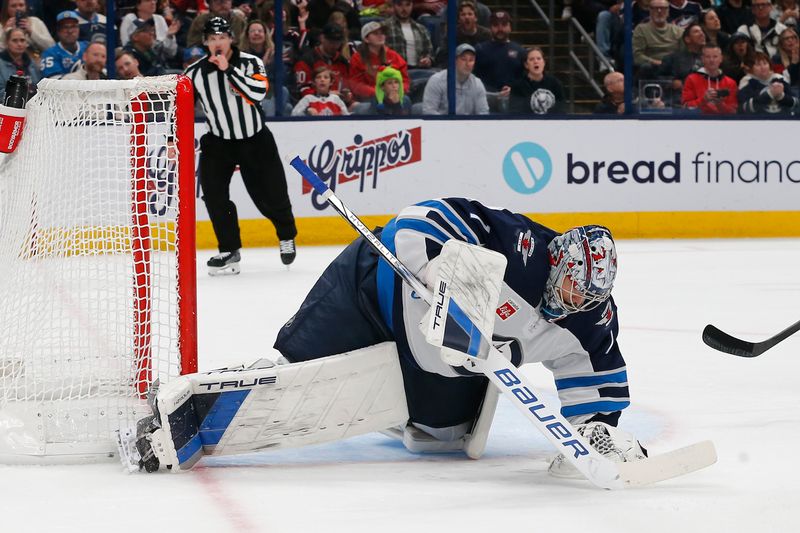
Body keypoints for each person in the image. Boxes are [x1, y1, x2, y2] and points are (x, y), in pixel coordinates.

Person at [274, 198, 642, 472]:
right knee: (294, 365)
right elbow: (416, 220)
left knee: (441, 438)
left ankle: (385, 401)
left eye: (587, 299)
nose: (574, 304)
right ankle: (274, 369)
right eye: (572, 290)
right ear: (558, 262)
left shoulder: (590, 316)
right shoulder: (518, 245)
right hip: (372, 291)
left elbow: (596, 375)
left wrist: (595, 432)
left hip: (432, 360)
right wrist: (432, 267)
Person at [185, 17, 297, 273]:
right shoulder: (194, 73)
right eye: (212, 39)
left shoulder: (250, 62)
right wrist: (171, 139)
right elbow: (180, 111)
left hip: (254, 139)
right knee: (214, 195)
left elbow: (258, 93)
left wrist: (228, 70)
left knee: (270, 194)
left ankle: (286, 235)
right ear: (205, 42)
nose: (217, 42)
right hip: (218, 142)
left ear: (230, 39)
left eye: (222, 37)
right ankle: (229, 249)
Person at [348, 20, 410, 102]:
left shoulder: (393, 55)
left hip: (395, 95)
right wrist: (379, 93)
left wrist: (398, 91)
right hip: (370, 98)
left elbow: (405, 80)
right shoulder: (357, 58)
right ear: (366, 39)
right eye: (375, 34)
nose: (380, 36)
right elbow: (356, 85)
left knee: (406, 100)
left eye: (382, 33)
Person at [422, 42, 489, 114]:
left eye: (471, 60)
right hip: (442, 124)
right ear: (454, 61)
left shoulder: (477, 83)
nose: (467, 64)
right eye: (463, 59)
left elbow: (483, 113)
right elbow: (429, 112)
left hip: (467, 125)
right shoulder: (436, 80)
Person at [474, 11, 525, 94]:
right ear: (490, 27)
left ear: (510, 27)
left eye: (504, 25)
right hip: (486, 98)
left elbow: (525, 78)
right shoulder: (480, 49)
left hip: (513, 99)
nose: (500, 29)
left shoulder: (520, 51)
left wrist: (514, 89)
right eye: (496, 25)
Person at [682, 43, 738, 113]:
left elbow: (733, 112)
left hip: (722, 122)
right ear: (702, 59)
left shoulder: (731, 83)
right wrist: (704, 100)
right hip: (698, 121)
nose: (711, 60)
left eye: (715, 57)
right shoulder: (691, 79)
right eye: (708, 57)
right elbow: (686, 107)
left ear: (721, 59)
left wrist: (720, 105)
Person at [632, 0, 683, 78]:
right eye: (655, 8)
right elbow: (637, 56)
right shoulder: (641, 29)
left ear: (668, 11)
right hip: (651, 69)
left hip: (674, 68)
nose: (659, 11)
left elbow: (683, 54)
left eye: (663, 8)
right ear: (650, 11)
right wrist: (657, 62)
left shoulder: (679, 31)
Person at [509, 47, 566, 114]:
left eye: (539, 58)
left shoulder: (555, 84)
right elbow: (515, 112)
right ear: (526, 65)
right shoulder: (518, 86)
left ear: (544, 63)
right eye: (531, 59)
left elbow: (561, 110)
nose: (536, 61)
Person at [383, 0, 435, 69]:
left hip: (419, 70)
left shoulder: (421, 28)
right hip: (395, 71)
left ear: (412, 6)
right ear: (394, 6)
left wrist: (428, 60)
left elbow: (430, 52)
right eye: (400, 5)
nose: (404, 9)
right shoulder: (384, 27)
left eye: (408, 5)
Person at [39, 11, 87, 78]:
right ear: (58, 31)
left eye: (73, 26)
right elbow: (53, 82)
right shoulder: (49, 54)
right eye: (65, 27)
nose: (70, 31)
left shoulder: (88, 47)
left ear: (78, 29)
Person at [0, 26, 40, 101]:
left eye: (22, 40)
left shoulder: (32, 62)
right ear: (7, 43)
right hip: (8, 106)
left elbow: (39, 86)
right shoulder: (1, 63)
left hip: (33, 104)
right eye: (15, 40)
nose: (19, 44)